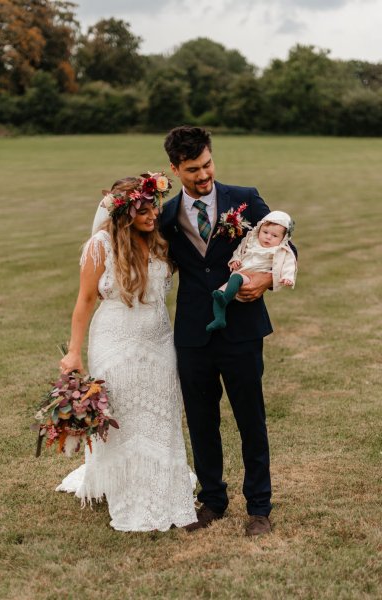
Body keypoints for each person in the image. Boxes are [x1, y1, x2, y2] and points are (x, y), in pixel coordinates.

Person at [160, 126, 296, 536]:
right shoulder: (166, 215)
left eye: (207, 165)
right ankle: (212, 501)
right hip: (192, 332)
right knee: (201, 420)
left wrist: (265, 281)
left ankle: (259, 507)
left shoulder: (245, 199)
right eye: (192, 170)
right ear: (174, 168)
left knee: (250, 418)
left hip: (241, 330)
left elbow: (287, 248)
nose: (203, 176)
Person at [56, 173, 197, 532]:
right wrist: (74, 353)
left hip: (160, 340)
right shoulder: (101, 245)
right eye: (144, 209)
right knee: (125, 414)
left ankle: (165, 484)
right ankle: (127, 490)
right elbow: (85, 300)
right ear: (124, 212)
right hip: (115, 339)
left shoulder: (161, 240)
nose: (153, 214)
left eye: (155, 207)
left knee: (161, 412)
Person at [206, 210, 297, 332]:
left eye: (274, 236)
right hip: (242, 271)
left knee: (236, 278)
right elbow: (239, 251)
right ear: (259, 229)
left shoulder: (280, 250)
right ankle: (219, 319)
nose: (268, 237)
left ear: (283, 238)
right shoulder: (250, 241)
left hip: (253, 277)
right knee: (219, 292)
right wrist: (235, 260)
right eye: (265, 232)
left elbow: (289, 264)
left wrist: (287, 277)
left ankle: (225, 299)